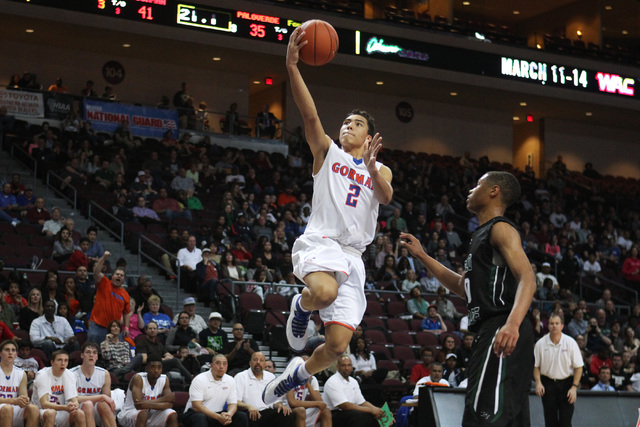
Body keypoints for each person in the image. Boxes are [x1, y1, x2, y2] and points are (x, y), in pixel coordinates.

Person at [263, 25, 393, 404]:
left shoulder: (379, 168)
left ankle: (294, 377)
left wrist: (370, 169)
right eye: (346, 122)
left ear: (369, 137)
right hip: (322, 242)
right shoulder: (327, 152)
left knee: (337, 348)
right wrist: (292, 67)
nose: (346, 126)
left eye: (356, 124)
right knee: (323, 291)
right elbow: (310, 114)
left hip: (354, 257)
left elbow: (385, 197)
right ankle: (301, 305)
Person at [400, 171, 536, 426]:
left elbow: (528, 277)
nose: (471, 190)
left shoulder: (501, 228)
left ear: (494, 191)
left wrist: (513, 323)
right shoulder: (481, 236)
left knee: (482, 415)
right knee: (508, 417)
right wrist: (422, 255)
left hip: (502, 325)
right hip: (493, 328)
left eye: (478, 185)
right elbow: (463, 286)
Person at [533, 313, 583, 427]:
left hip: (566, 384)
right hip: (548, 384)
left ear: (562, 326)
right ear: (548, 326)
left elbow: (579, 367)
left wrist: (574, 387)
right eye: (551, 323)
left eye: (557, 323)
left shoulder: (570, 343)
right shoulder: (541, 343)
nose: (554, 326)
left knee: (565, 422)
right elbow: (536, 367)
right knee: (550, 421)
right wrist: (538, 383)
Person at [183, 354, 248, 427]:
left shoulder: (230, 380)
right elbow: (196, 406)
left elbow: (232, 404)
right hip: (195, 414)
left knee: (241, 416)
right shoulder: (199, 379)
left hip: (218, 414)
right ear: (211, 365)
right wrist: (217, 417)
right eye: (218, 363)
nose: (221, 367)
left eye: (224, 364)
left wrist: (229, 415)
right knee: (200, 417)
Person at [117, 354, 178, 427]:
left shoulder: (164, 379)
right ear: (146, 368)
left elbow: (169, 405)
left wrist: (146, 404)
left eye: (159, 368)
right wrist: (163, 399)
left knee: (172, 414)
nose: (156, 370)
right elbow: (138, 406)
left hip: (151, 413)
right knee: (143, 414)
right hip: (130, 413)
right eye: (153, 367)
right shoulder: (138, 378)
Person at [322, 355, 383, 426]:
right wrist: (371, 410)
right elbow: (345, 406)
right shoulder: (332, 381)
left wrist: (378, 410)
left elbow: (362, 402)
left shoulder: (353, 381)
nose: (347, 368)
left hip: (350, 412)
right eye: (343, 365)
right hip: (333, 414)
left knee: (374, 416)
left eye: (349, 365)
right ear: (337, 367)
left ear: (352, 367)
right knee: (357, 415)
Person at [235, 352, 293, 427]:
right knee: (247, 416)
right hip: (249, 412)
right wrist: (249, 407)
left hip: (266, 412)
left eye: (261, 360)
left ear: (264, 364)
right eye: (255, 360)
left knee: (286, 414)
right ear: (250, 363)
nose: (258, 362)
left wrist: (280, 405)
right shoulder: (241, 376)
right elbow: (236, 401)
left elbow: (276, 400)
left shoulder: (271, 377)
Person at [31, 350, 86, 427]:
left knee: (80, 413)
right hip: (41, 411)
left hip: (61, 410)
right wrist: (65, 408)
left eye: (66, 360)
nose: (63, 363)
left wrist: (74, 405)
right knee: (51, 413)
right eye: (59, 360)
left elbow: (74, 400)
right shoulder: (42, 375)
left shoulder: (70, 375)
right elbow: (44, 404)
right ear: (52, 362)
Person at [70, 342, 117, 427]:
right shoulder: (71, 373)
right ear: (82, 355)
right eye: (88, 352)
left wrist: (101, 398)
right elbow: (73, 399)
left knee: (104, 405)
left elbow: (106, 399)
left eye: (94, 353)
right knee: (88, 404)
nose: (91, 355)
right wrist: (100, 397)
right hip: (78, 410)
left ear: (97, 357)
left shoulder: (104, 373)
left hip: (96, 409)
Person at [88, 251, 130, 345]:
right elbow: (96, 273)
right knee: (93, 351)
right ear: (112, 276)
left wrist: (126, 327)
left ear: (123, 279)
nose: (119, 276)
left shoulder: (125, 294)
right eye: (117, 274)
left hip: (114, 328)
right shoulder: (105, 283)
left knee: (115, 354)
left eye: (121, 275)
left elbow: (126, 313)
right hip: (97, 325)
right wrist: (103, 258)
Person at [0, 340, 40, 427]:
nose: (10, 353)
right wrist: (13, 401)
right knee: (7, 408)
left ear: (16, 354)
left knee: (34, 409)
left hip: (12, 407)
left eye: (13, 350)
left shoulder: (21, 373)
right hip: (4, 407)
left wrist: (25, 400)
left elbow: (23, 396)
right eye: (7, 350)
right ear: (0, 353)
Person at [285, 356, 331, 427]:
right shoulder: (289, 378)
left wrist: (307, 382)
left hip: (301, 410)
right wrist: (316, 403)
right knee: (301, 410)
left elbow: (319, 400)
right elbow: (292, 403)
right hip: (286, 410)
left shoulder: (312, 379)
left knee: (326, 411)